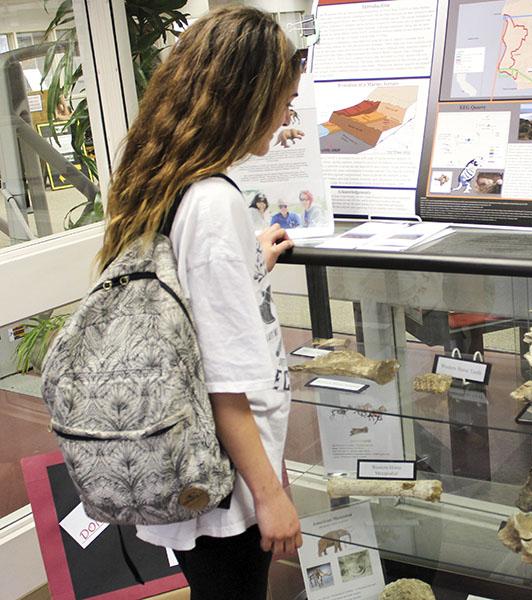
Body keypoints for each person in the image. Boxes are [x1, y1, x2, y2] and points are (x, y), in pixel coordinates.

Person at [95, 7, 305, 598]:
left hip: (207, 469)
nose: (287, 115)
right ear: (247, 98)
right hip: (230, 484)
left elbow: (190, 302)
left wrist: (248, 267)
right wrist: (270, 494)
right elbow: (223, 381)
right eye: (283, 100)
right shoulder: (214, 205)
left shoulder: (170, 180)